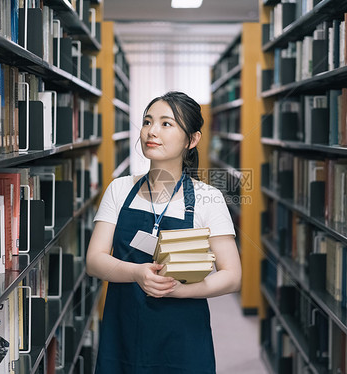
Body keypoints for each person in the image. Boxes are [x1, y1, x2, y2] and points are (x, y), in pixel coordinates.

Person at [86, 91, 242, 373]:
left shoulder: (209, 198)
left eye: (166, 124)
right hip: (123, 334)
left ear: (191, 140)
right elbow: (94, 260)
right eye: (147, 121)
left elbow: (232, 276)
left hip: (183, 341)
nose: (151, 131)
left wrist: (181, 291)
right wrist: (136, 273)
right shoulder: (120, 190)